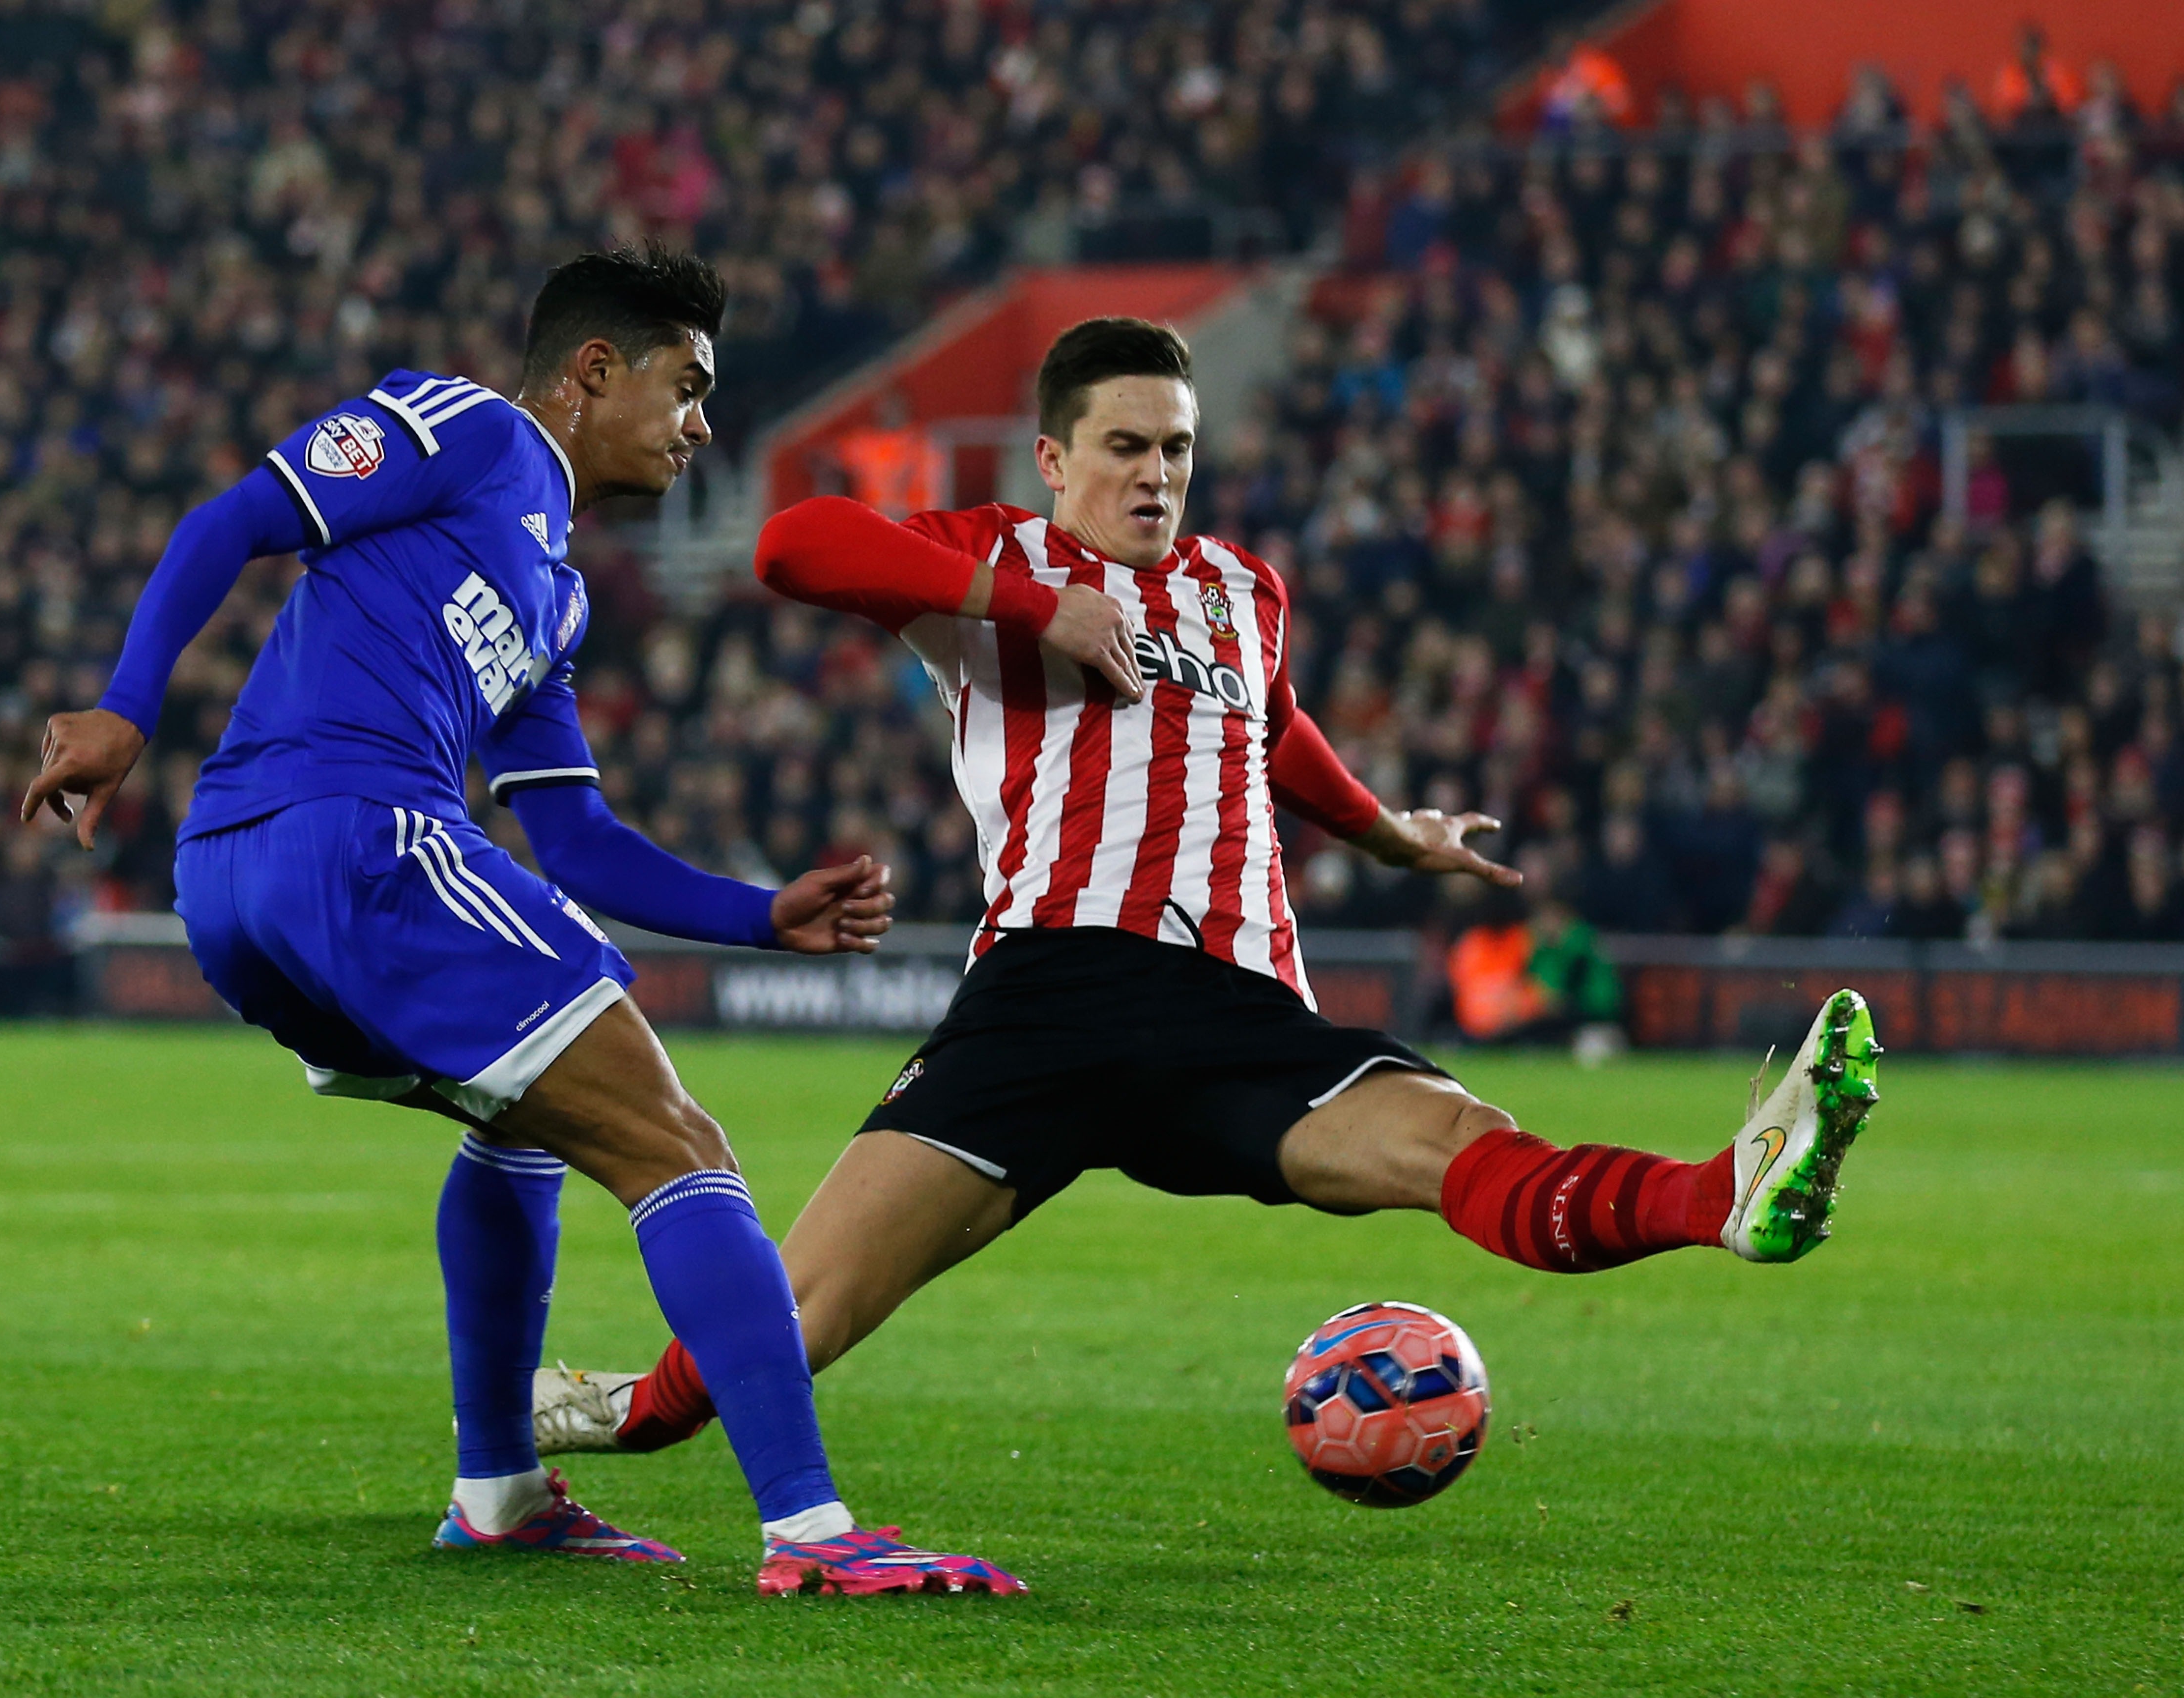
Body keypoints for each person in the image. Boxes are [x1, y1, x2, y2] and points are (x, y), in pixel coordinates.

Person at [530, 317, 1883, 1460]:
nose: (1156, 474)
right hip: (1056, 989)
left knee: (1462, 1142)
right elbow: (795, 545)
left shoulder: (1242, 589)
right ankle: (619, 1415)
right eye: (1125, 447)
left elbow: (1272, 725)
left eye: (1177, 447)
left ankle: (1729, 1195)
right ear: (1055, 459)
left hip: (1237, 1009)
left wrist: (1386, 835)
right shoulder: (999, 559)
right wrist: (1027, 609)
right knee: (803, 1309)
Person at [19, 245, 1022, 1599]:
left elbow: (579, 840)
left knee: (523, 1123)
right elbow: (233, 521)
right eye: (686, 386)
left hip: (245, 887)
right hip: (354, 832)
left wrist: (759, 916)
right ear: (594, 372)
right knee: (678, 1144)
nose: (702, 425)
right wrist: (128, 709)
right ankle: (814, 1531)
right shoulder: (470, 428)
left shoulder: (554, 594)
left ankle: (495, 1490)